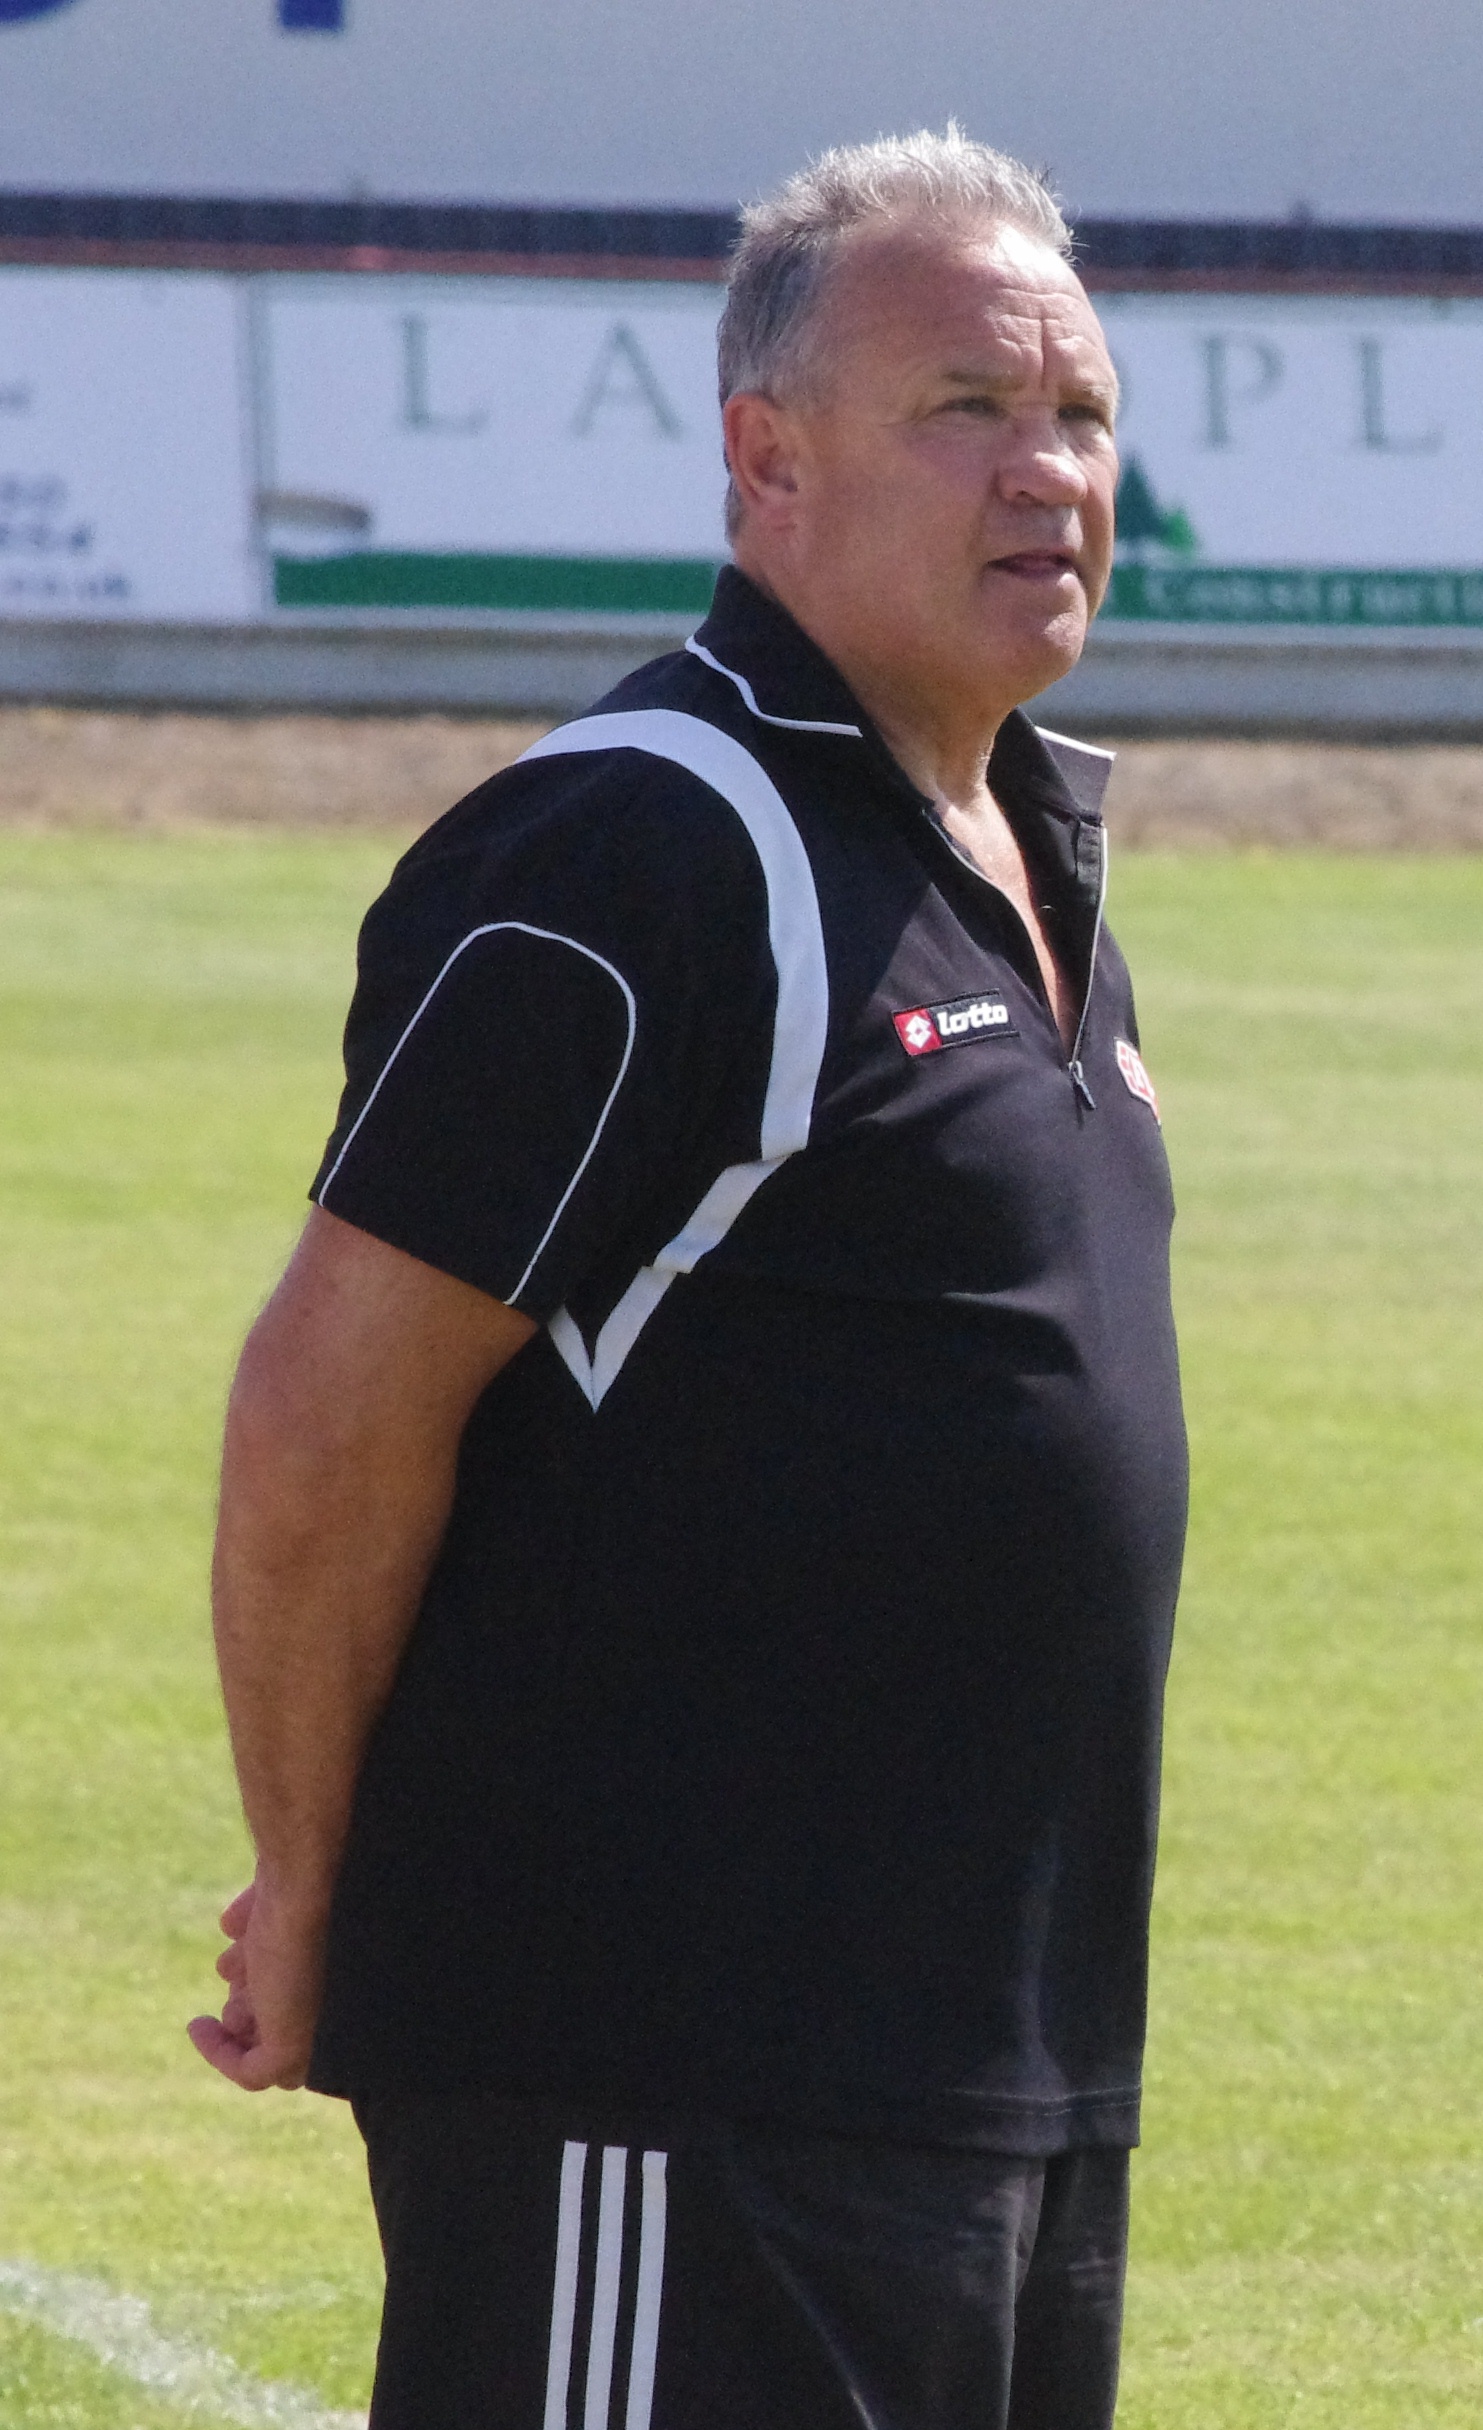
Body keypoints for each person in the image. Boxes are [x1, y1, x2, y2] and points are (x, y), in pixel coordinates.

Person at [191, 127, 1187, 2430]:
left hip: (994, 2089)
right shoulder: (642, 847)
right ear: (768, 460)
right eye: (966, 407)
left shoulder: (1018, 859)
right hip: (666, 2092)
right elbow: (329, 1416)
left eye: (1079, 413)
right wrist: (313, 1877)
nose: (1045, 469)